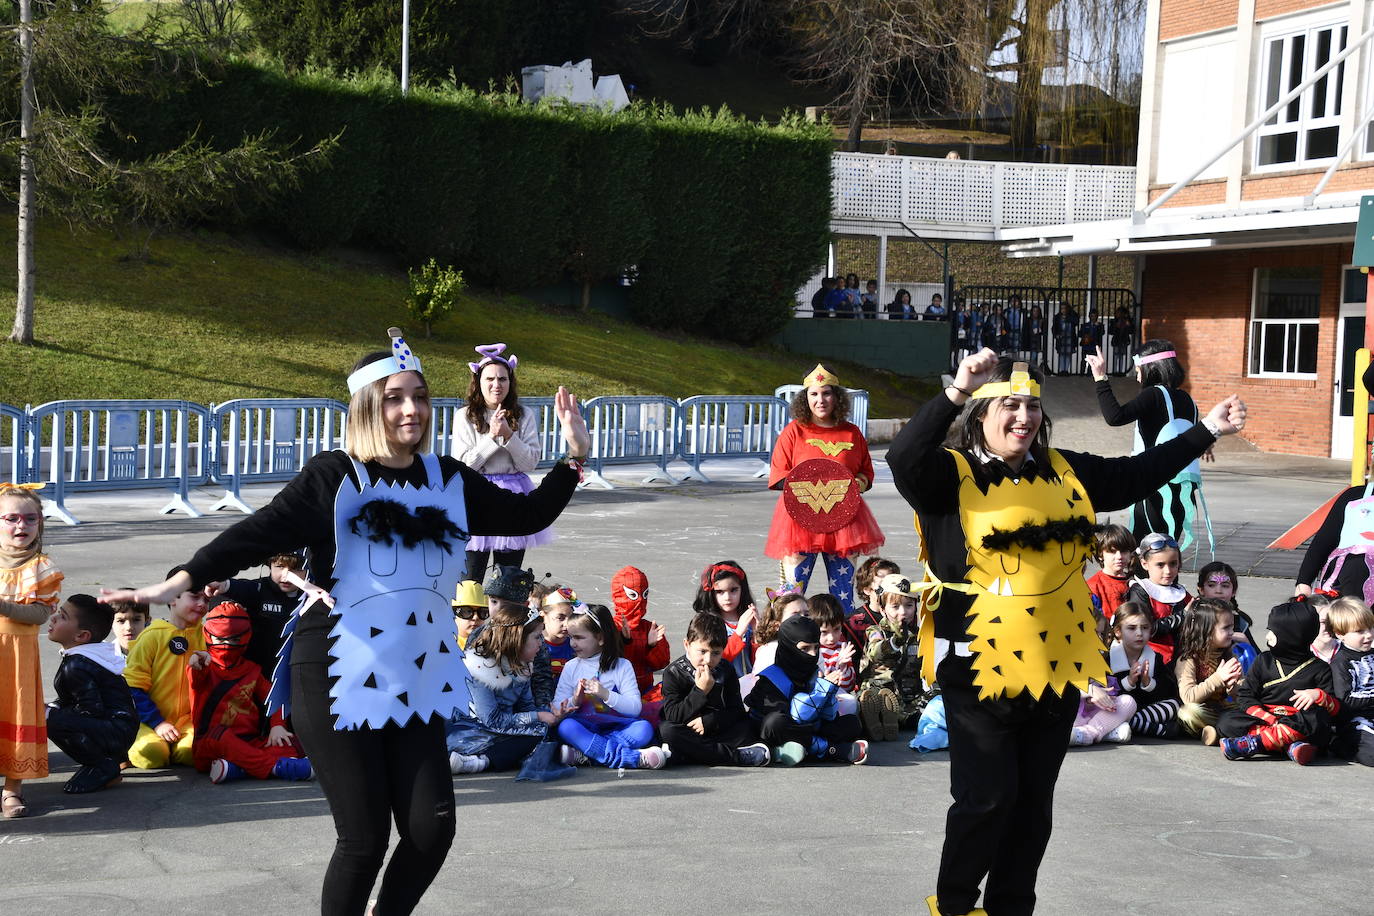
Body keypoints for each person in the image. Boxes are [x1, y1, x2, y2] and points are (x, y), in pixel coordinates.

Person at [101, 327, 588, 916]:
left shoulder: (447, 478)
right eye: (394, 397)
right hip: (334, 668)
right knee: (363, 841)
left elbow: (527, 511)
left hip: (416, 672)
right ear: (366, 407)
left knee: (432, 831)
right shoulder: (334, 477)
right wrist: (179, 580)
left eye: (420, 396)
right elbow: (255, 532)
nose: (412, 409)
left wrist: (573, 457)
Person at [885, 348, 1245, 916]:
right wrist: (956, 389)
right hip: (978, 665)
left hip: (1058, 664)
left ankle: (1011, 908)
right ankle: (954, 905)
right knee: (986, 798)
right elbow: (903, 458)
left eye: (1032, 406)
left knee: (1032, 805)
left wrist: (1205, 431)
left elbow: (1134, 477)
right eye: (1009, 405)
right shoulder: (948, 475)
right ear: (980, 414)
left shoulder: (1063, 468)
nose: (1023, 417)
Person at [765, 365, 884, 612]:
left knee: (843, 596)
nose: (821, 400)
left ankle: (845, 643)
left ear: (837, 397)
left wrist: (854, 485)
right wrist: (809, 488)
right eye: (814, 394)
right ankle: (788, 643)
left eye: (827, 393)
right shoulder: (793, 432)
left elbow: (866, 472)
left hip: (845, 521)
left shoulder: (852, 433)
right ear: (805, 398)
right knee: (792, 595)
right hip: (801, 523)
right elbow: (778, 476)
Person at [1088, 339, 1212, 553]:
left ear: (1151, 369)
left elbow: (1115, 416)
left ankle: (1142, 586)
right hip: (1183, 487)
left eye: (1139, 369)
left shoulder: (1154, 394)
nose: (1137, 375)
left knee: (1145, 548)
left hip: (1154, 484)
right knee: (1166, 548)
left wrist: (1101, 378)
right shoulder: (1188, 399)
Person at [455, 343, 554, 582]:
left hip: (513, 495)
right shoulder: (465, 416)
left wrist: (509, 435)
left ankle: (507, 618)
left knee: (508, 578)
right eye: (490, 378)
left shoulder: (524, 415)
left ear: (510, 382)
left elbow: (530, 462)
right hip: (474, 494)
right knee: (471, 577)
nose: (496, 385)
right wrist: (491, 437)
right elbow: (463, 465)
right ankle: (470, 618)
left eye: (502, 379)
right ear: (478, 381)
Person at [187, 602, 313, 784]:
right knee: (221, 736)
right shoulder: (204, 667)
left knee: (293, 747)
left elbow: (274, 698)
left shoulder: (252, 670)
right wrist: (197, 662)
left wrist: (278, 726)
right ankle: (277, 768)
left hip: (249, 742)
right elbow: (196, 677)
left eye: (233, 640)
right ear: (209, 636)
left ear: (245, 637)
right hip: (210, 743)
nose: (227, 645)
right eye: (220, 639)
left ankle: (236, 769)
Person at [0, 482, 63, 818]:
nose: (20, 526)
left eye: (29, 519)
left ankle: (13, 789)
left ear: (40, 522)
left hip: (17, 657)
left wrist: (3, 607)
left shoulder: (40, 566)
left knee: (17, 717)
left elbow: (40, 613)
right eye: (11, 518)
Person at [1217, 599, 1338, 765]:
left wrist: (1319, 695)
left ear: (1291, 636)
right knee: (1227, 721)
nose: (1267, 636)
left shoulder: (1319, 668)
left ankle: (1257, 743)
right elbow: (1246, 696)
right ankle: (1289, 746)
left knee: (1317, 718)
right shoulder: (1263, 661)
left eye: (1273, 631)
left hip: (1298, 721)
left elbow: (1335, 709)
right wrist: (1269, 719)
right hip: (1269, 719)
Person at [553, 603, 669, 770]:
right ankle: (634, 759)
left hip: (618, 727)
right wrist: (575, 701)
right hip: (586, 726)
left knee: (643, 729)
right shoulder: (571, 667)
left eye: (579, 638)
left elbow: (635, 708)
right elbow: (557, 707)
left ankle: (588, 756)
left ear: (601, 638)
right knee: (566, 727)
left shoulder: (622, 665)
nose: (572, 643)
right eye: (571, 637)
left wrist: (605, 694)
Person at [446, 601, 556, 775]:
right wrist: (538, 716)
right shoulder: (479, 669)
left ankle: (486, 760)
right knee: (534, 736)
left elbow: (526, 707)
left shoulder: (523, 665)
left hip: (499, 729)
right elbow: (491, 720)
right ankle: (478, 762)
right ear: (517, 638)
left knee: (544, 731)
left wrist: (549, 714)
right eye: (536, 637)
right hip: (468, 730)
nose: (541, 644)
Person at [744, 615, 867, 766]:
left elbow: (828, 715)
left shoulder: (814, 671)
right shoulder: (771, 678)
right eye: (805, 648)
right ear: (789, 648)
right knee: (775, 723)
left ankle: (792, 750)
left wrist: (829, 694)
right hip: (778, 730)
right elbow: (794, 716)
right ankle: (830, 749)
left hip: (807, 727)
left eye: (816, 647)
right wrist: (822, 690)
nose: (813, 654)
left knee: (852, 723)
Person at [44, 594, 136, 794]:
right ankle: (108, 759)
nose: (53, 618)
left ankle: (101, 765)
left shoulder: (77, 665)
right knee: (50, 713)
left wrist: (51, 713)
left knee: (47, 719)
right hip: (121, 726)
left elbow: (90, 710)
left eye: (62, 616)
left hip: (116, 730)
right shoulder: (89, 655)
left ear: (81, 636)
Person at [123, 568, 208, 771]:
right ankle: (142, 746)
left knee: (193, 751)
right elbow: (133, 687)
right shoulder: (151, 636)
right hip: (150, 721)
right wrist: (158, 723)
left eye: (206, 599)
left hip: (188, 721)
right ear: (172, 598)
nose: (202, 604)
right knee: (152, 754)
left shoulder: (206, 635)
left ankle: (176, 748)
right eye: (195, 597)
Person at [659, 612, 769, 767]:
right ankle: (737, 757)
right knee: (668, 731)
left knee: (748, 727)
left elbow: (736, 710)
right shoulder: (674, 672)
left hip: (717, 728)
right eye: (702, 651)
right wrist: (700, 691)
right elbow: (672, 715)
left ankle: (689, 755)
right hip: (689, 730)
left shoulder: (725, 669)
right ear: (687, 645)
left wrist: (710, 721)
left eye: (716, 653)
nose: (709, 660)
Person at [206, 552, 304, 680]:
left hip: (294, 672)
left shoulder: (313, 596)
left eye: (295, 569)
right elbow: (230, 589)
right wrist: (228, 601)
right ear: (269, 565)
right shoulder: (259, 589)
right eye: (280, 567)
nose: (286, 575)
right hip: (257, 674)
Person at [857, 573, 922, 741]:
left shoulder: (919, 636)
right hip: (878, 692)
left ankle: (893, 721)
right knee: (866, 705)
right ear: (882, 608)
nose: (903, 612)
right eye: (895, 606)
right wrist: (894, 642)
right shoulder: (875, 631)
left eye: (909, 605)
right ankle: (877, 720)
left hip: (909, 699)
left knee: (933, 712)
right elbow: (875, 651)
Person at [1174, 598, 1243, 745]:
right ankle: (1218, 732)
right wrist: (1218, 678)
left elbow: (1243, 695)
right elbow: (1188, 697)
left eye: (1232, 627)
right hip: (1203, 713)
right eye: (1226, 628)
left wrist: (1233, 688)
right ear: (1206, 630)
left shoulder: (1230, 655)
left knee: (1247, 710)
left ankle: (1217, 732)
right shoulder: (1187, 660)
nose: (1232, 632)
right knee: (1187, 713)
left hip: (1224, 710)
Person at [1108, 601, 1180, 738]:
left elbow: (1166, 692)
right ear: (1118, 631)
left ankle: (1134, 724)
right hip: (1116, 708)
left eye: (1145, 628)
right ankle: (1148, 728)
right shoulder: (1108, 657)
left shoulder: (1154, 658)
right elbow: (1105, 691)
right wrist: (1128, 682)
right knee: (1123, 702)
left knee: (1174, 704)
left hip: (1143, 711)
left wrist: (1148, 683)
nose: (1139, 633)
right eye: (1131, 628)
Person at [1124, 533, 1191, 665]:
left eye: (1173, 564)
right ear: (1144, 564)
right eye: (1160, 565)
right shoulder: (1140, 591)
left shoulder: (1181, 592)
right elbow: (1146, 629)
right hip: (1151, 662)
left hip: (1183, 659)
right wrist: (1183, 615)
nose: (1168, 571)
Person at [610, 566, 668, 711]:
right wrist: (625, 641)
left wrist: (652, 646)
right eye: (633, 595)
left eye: (644, 594)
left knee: (670, 690)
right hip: (614, 693)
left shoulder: (649, 628)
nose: (640, 601)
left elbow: (661, 663)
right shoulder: (609, 627)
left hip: (645, 691)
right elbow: (606, 662)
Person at [1327, 597, 1374, 766]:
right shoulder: (1341, 662)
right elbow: (1345, 700)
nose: (1368, 635)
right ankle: (1339, 745)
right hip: (1356, 721)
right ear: (1340, 634)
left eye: (1370, 628)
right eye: (1360, 631)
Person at [692, 561, 759, 677]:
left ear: (742, 590)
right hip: (723, 686)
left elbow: (761, 660)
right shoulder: (706, 624)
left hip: (751, 684)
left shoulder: (749, 619)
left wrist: (757, 635)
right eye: (720, 592)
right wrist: (738, 634)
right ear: (711, 593)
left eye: (733, 590)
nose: (727, 598)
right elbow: (714, 661)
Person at [1085, 524, 1136, 644]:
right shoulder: (1093, 586)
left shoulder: (1136, 582)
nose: (1119, 557)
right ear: (1101, 554)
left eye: (1123, 551)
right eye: (1112, 551)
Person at [749, 588, 809, 674]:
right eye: (795, 615)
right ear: (777, 625)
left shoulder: (812, 645)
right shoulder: (770, 651)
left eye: (806, 614)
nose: (803, 619)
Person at [849, 557, 900, 642]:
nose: (890, 589)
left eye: (893, 583)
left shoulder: (904, 613)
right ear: (867, 590)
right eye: (883, 584)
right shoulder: (853, 622)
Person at [538, 584, 580, 684]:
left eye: (571, 617)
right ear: (543, 616)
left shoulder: (577, 645)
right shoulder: (534, 646)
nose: (566, 624)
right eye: (560, 618)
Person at [451, 580, 489, 651]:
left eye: (482, 612)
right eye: (467, 611)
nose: (475, 617)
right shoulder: (444, 644)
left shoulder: (491, 646)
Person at [1109, 306, 1134, 374]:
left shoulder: (1127, 320)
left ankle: (1120, 372)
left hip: (1124, 341)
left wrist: (1128, 324)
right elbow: (1110, 331)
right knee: (1116, 356)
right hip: (1116, 341)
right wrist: (1116, 326)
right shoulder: (1114, 321)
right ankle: (1114, 371)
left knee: (1121, 356)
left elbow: (1132, 331)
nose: (1120, 315)